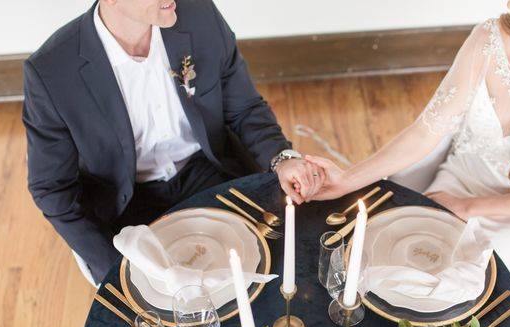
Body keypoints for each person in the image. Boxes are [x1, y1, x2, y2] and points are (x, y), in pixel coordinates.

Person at [305, 0, 510, 287]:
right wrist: (347, 179)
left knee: (471, 283)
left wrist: (468, 208)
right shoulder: (490, 39)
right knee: (390, 262)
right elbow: (425, 131)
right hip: (459, 180)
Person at [23, 0, 322, 284]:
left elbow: (244, 108)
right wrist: (113, 270)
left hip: (211, 171)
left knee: (286, 260)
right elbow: (52, 189)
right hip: (125, 203)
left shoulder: (198, 14)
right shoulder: (52, 72)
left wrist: (283, 159)